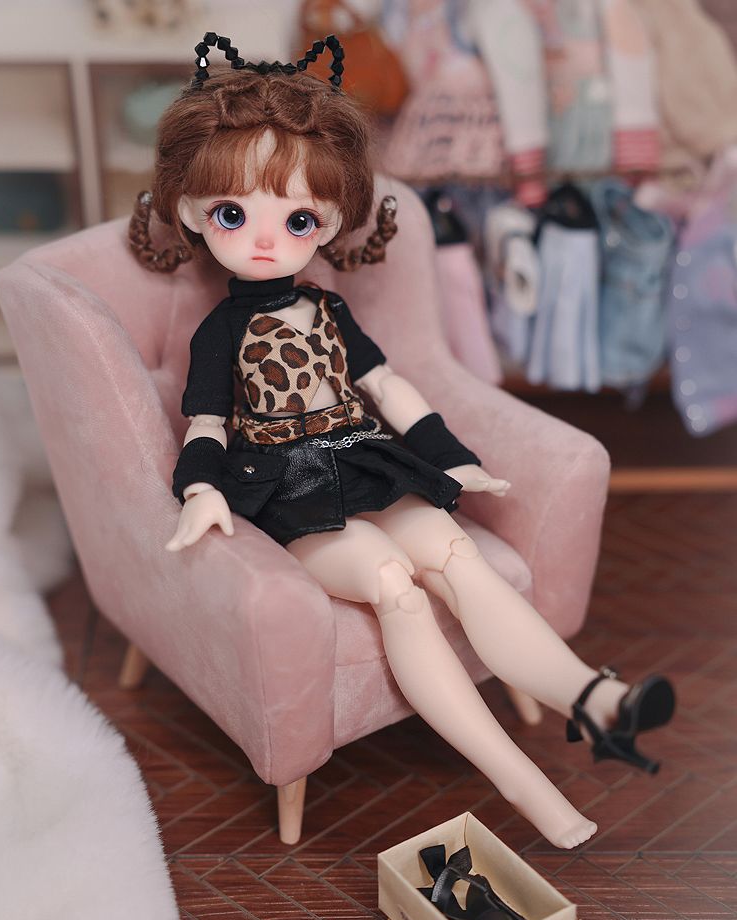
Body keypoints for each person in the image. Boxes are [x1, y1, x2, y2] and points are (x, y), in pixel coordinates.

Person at [129, 33, 675, 849]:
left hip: (363, 457)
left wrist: (454, 457)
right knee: (394, 582)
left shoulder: (330, 309)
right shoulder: (220, 332)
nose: (266, 240)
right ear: (191, 212)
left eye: (298, 218)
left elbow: (387, 386)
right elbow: (205, 421)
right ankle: (524, 784)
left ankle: (596, 700)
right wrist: (200, 488)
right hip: (285, 487)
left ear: (329, 223)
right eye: (234, 214)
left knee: (455, 551)